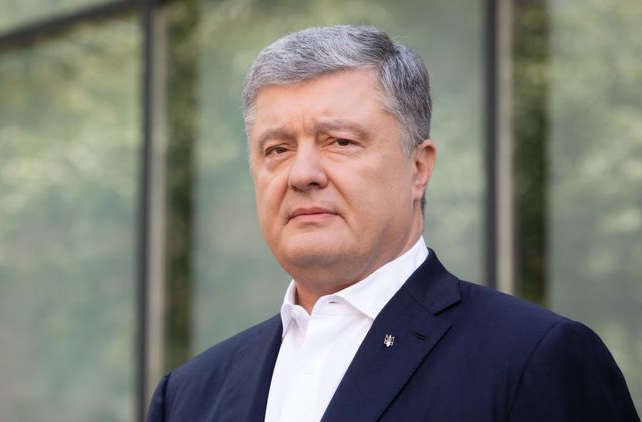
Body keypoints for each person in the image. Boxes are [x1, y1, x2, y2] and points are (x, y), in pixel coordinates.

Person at [146, 25, 639, 421]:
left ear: (418, 168)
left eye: (340, 142)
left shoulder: (535, 358)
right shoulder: (188, 395)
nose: (302, 173)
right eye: (278, 149)